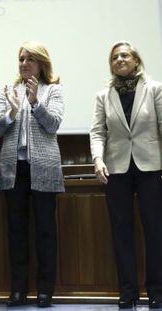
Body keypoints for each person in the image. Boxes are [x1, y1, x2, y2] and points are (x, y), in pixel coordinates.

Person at [0, 41, 64, 308]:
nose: (23, 64)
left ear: (41, 63)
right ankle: (18, 291)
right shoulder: (9, 90)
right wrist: (11, 112)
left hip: (44, 168)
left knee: (46, 231)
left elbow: (53, 123)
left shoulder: (53, 90)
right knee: (16, 232)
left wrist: (35, 103)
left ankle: (45, 291)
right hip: (15, 170)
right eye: (21, 59)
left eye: (29, 59)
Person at [90, 41, 162, 309]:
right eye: (114, 57)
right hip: (116, 169)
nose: (119, 60)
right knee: (121, 231)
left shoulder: (154, 89)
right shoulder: (103, 95)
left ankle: (156, 291)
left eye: (124, 55)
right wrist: (97, 159)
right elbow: (98, 131)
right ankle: (128, 292)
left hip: (151, 167)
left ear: (136, 60)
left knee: (154, 230)